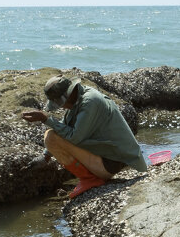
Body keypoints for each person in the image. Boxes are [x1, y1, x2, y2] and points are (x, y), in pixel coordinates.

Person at [21, 75, 149, 198]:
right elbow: (65, 126)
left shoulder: (90, 102)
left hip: (112, 163)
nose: (62, 107)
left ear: (68, 95)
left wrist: (46, 119)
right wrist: (45, 156)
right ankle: (90, 177)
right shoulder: (80, 97)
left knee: (51, 137)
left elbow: (74, 137)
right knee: (52, 135)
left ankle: (90, 179)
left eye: (61, 104)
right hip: (109, 157)